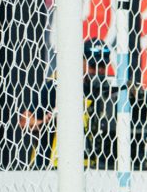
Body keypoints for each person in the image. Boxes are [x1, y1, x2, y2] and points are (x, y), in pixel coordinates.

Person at [19, 38, 117, 169]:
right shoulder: (57, 86)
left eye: (103, 66)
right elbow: (24, 121)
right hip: (51, 167)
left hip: (89, 168)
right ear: (81, 61)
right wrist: (45, 122)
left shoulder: (105, 91)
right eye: (93, 65)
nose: (98, 70)